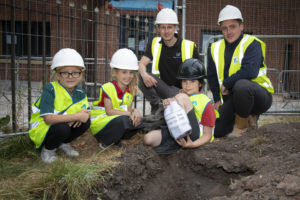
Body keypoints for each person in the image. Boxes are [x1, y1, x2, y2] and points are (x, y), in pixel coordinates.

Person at [207, 5, 274, 138]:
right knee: (218, 131)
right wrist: (216, 100)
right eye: (224, 28)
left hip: (259, 97)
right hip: (232, 99)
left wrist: (226, 83)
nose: (228, 32)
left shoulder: (252, 44)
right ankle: (245, 118)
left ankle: (242, 126)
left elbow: (250, 71)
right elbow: (212, 76)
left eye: (232, 26)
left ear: (241, 26)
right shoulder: (214, 48)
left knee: (242, 85)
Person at [29, 48, 90, 163]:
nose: (70, 76)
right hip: (43, 127)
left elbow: (86, 111)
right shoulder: (50, 88)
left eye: (75, 72)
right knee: (62, 128)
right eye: (65, 72)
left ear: (81, 75)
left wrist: (83, 115)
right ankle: (48, 149)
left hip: (62, 122)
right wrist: (76, 116)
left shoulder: (80, 92)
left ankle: (63, 143)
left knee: (86, 122)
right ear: (57, 75)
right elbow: (48, 119)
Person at [144, 59, 216, 154]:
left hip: (195, 137)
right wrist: (168, 107)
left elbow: (208, 135)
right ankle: (175, 144)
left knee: (182, 97)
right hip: (178, 132)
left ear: (200, 83)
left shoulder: (205, 101)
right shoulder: (180, 96)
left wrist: (193, 145)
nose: (187, 85)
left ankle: (177, 144)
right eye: (184, 81)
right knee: (148, 139)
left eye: (192, 81)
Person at [138, 8, 200, 115]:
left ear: (175, 27)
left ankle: (166, 109)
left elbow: (199, 77)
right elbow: (141, 64)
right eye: (163, 27)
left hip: (183, 93)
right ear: (158, 28)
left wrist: (186, 91)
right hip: (163, 90)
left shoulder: (188, 46)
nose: (166, 31)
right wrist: (144, 74)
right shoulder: (154, 43)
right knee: (139, 76)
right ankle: (158, 106)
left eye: (169, 27)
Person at [90, 48, 144, 149]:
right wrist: (130, 113)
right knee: (124, 120)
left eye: (131, 72)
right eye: (124, 72)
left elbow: (127, 111)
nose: (128, 76)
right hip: (100, 124)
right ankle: (105, 141)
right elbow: (109, 111)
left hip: (116, 120)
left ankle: (117, 139)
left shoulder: (131, 90)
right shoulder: (108, 87)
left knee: (139, 121)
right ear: (115, 72)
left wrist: (135, 111)